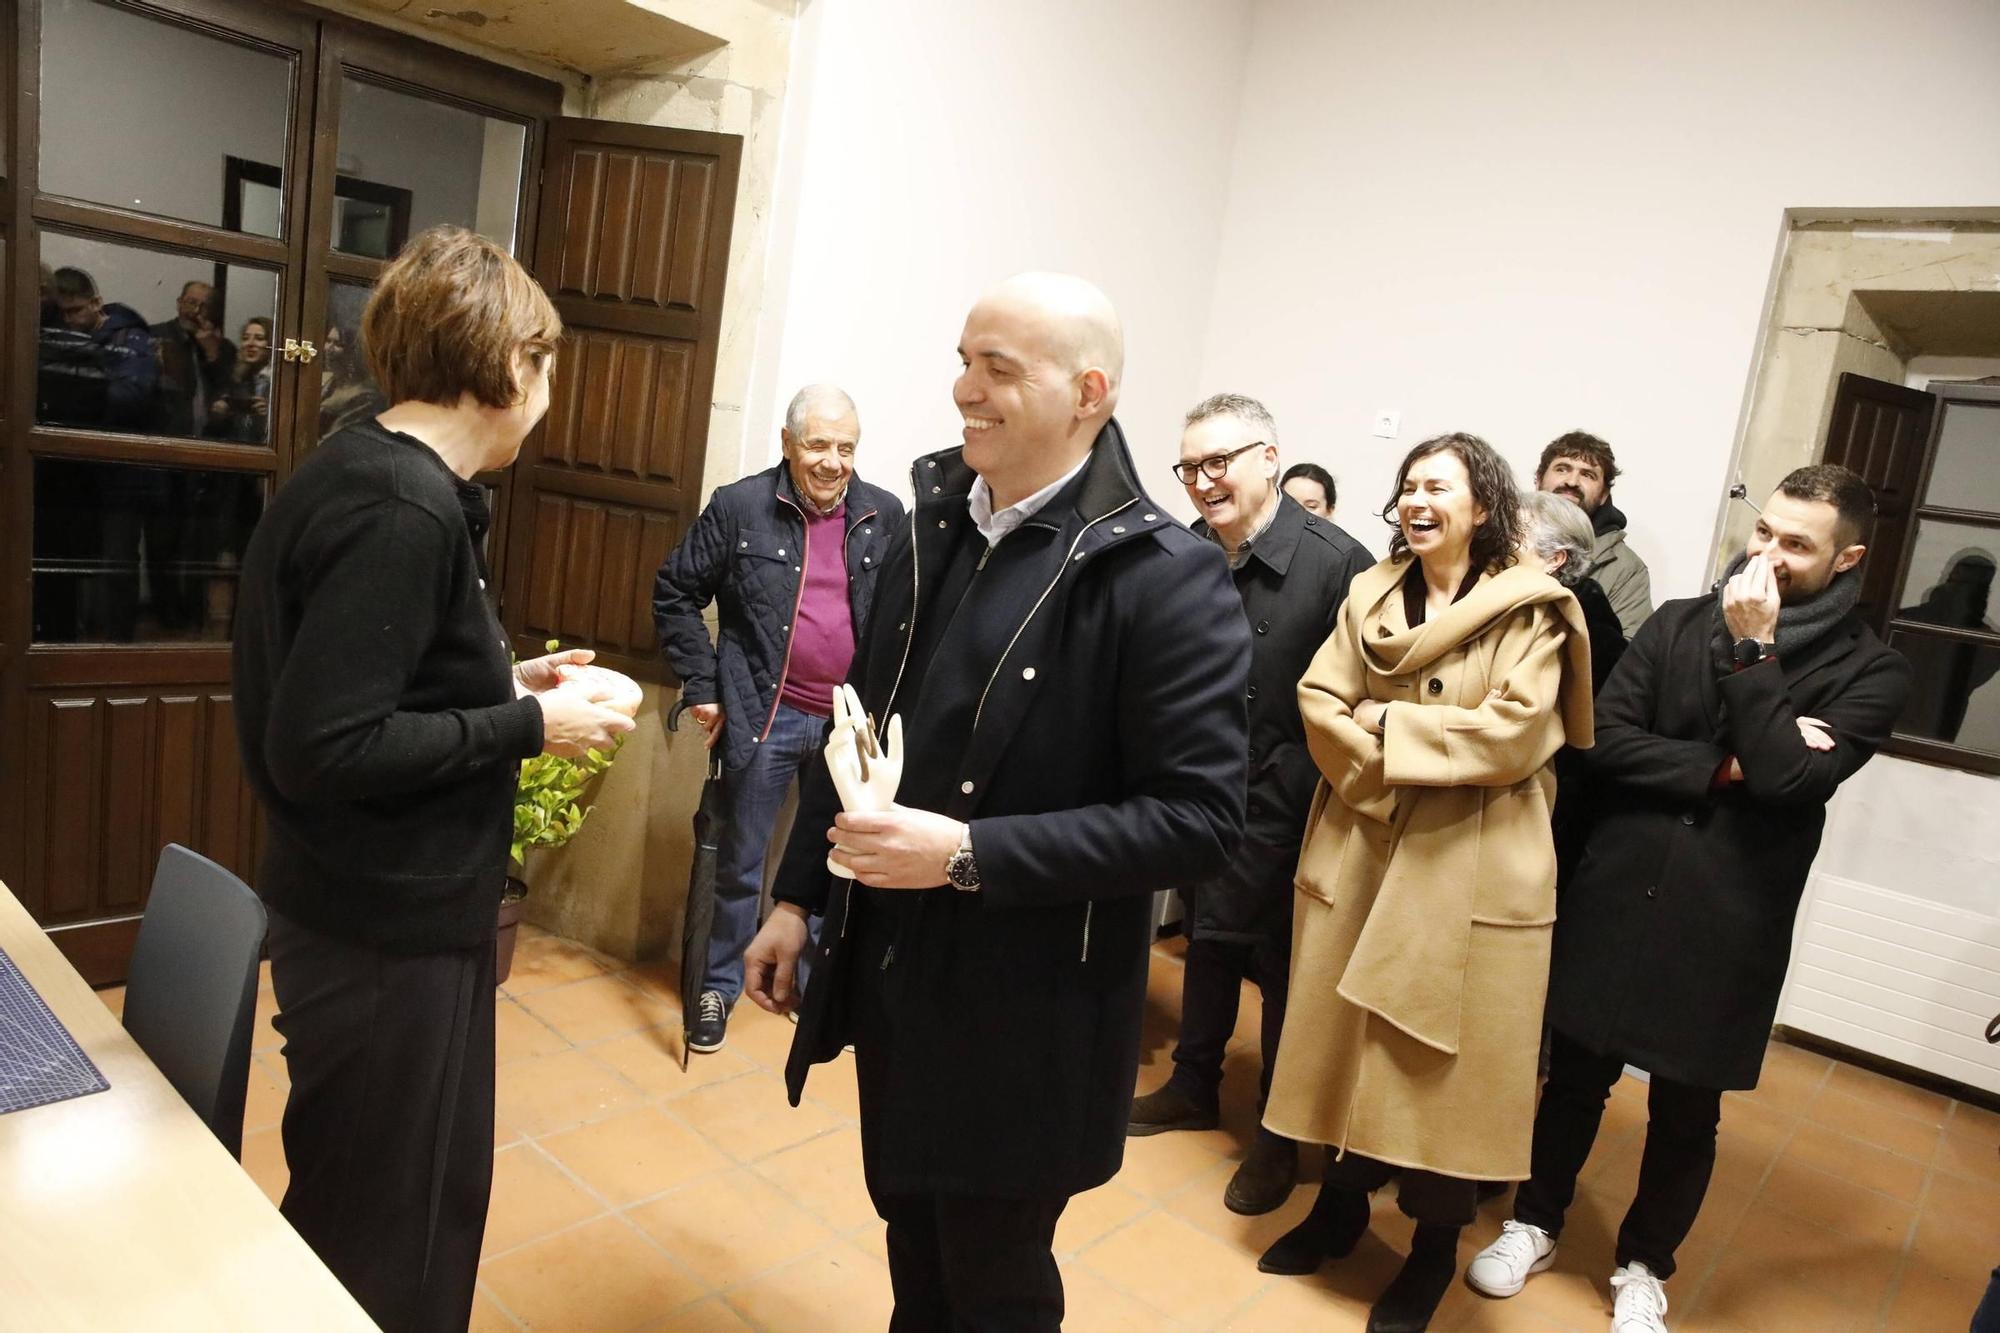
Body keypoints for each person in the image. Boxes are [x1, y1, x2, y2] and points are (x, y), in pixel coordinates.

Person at [740, 272, 1250, 1330]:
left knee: (994, 1280)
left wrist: (967, 853)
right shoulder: (934, 524)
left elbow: (1198, 820)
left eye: (997, 368)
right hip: (897, 978)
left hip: (1028, 1017)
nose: (962, 388)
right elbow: (861, 726)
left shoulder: (1164, 577)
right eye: (963, 359)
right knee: (915, 1249)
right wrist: (798, 895)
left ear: (1087, 392)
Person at [231, 225, 634, 1333]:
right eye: (545, 362)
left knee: (401, 1197)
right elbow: (323, 747)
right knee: (386, 1231)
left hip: (375, 910)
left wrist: (504, 678)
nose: (549, 387)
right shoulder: (402, 510)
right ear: (505, 365)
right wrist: (525, 722)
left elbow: (366, 685)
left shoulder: (366, 471)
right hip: (382, 927)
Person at [1466, 464, 1913, 1333]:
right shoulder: (1675, 623)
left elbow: (1793, 781)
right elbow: (1607, 743)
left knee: (1685, 1107)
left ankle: (1643, 1265)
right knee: (1575, 1078)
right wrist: (1727, 765)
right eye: (1764, 532)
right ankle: (1536, 1219)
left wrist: (1755, 654)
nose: (1769, 555)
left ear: (1849, 557)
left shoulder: (1876, 670)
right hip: (1620, 890)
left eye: (1797, 545)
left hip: (1730, 913)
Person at [1259, 432, 1592, 1333]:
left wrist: (1391, 721)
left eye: (1437, 484)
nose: (1417, 498)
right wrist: (1384, 767)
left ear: (1482, 505)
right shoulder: (1369, 591)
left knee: (1445, 1069)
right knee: (1344, 1043)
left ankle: (1433, 1251)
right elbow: (1320, 700)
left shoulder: (1532, 611)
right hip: (1365, 840)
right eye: (1407, 484)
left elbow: (1516, 735)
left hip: (1471, 860)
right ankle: (1336, 1208)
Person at [1127, 393, 1371, 1217]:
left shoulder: (1340, 563)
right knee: (1204, 941)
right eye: (1190, 467)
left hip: (1291, 805)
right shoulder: (1192, 550)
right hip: (1197, 790)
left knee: (1281, 970)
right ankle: (1194, 1082)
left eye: (1219, 462)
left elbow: (1365, 696)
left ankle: (1277, 1131)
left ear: (1270, 457)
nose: (1202, 481)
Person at [651, 383, 904, 1053]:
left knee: (841, 862)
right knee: (739, 859)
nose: (832, 461)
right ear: (787, 443)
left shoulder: (885, 514)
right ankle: (719, 986)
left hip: (850, 729)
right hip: (766, 713)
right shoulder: (740, 508)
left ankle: (817, 987)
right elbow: (674, 590)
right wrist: (704, 684)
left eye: (846, 447)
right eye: (818, 444)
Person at [1519, 489, 1628, 892]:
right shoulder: (1513, 604)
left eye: (1514, 536)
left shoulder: (1586, 626)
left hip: (1544, 805)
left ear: (1555, 560)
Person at [1536, 431, 1653, 636]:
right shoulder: (1499, 540)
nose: (1572, 482)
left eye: (1587, 474)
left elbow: (1629, 657)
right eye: (1562, 469)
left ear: (1603, 496)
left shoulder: (1626, 569)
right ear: (1538, 480)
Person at [43, 266, 158, 431]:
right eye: (60, 313)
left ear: (96, 303)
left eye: (75, 310)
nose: (67, 319)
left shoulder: (130, 338)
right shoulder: (56, 333)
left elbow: (132, 396)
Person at [152, 280, 236, 437]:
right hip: (164, 437)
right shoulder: (156, 336)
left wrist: (212, 354)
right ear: (179, 303)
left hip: (211, 441)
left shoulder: (225, 348)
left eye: (205, 306)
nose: (196, 311)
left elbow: (230, 389)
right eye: (191, 303)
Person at [209, 315, 274, 444]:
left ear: (272, 344)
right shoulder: (234, 381)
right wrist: (219, 415)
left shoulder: (280, 382)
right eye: (245, 338)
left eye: (259, 338)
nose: (250, 344)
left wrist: (269, 416)